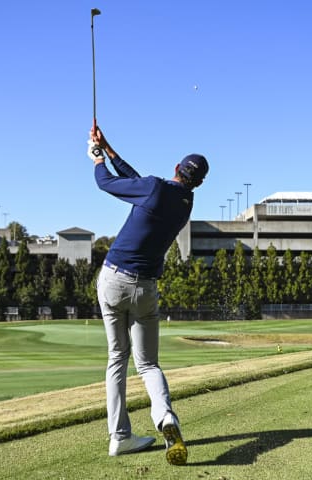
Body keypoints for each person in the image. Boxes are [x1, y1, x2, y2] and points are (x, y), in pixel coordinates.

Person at [88, 123, 208, 466]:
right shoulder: (184, 203)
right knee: (148, 363)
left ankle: (120, 438)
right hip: (145, 289)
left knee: (117, 359)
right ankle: (166, 418)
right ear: (197, 182)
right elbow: (138, 181)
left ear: (176, 168)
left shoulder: (154, 189)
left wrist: (96, 159)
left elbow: (107, 183)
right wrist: (109, 149)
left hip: (112, 279)